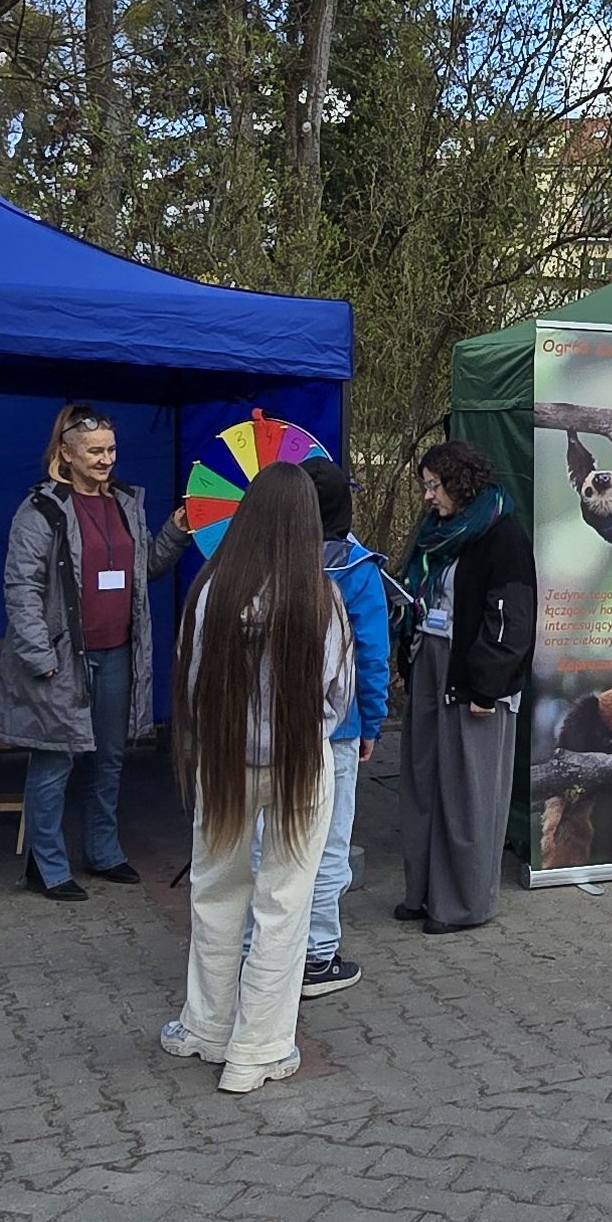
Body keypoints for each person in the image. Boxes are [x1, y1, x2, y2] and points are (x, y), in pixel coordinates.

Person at [156, 462, 353, 1093]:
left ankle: (205, 1029)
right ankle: (258, 1050)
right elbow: (337, 698)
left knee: (215, 894)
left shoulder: (210, 590)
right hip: (300, 765)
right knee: (284, 904)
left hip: (222, 763)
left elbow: (190, 687)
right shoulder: (322, 597)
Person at [0, 406, 190, 902]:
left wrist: (176, 530)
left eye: (111, 449)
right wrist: (40, 656)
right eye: (95, 451)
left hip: (117, 652)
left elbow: (144, 568)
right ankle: (46, 864)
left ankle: (103, 851)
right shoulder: (40, 510)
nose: (106, 459)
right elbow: (21, 589)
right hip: (62, 659)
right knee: (55, 760)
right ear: (66, 453)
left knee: (110, 758)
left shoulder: (125, 502)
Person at [395, 438, 533, 931]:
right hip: (430, 663)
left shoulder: (502, 534)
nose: (428, 496)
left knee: (467, 792)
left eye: (434, 485)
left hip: (473, 676)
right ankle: (423, 893)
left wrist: (486, 687)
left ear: (460, 482)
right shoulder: (436, 532)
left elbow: (512, 620)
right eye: (425, 486)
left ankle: (462, 905)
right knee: (423, 780)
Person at [298, 456, 389, 999]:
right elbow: (372, 657)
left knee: (268, 842)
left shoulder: (261, 559)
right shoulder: (357, 569)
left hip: (271, 731)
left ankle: (259, 950)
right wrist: (372, 722)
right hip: (338, 729)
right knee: (329, 844)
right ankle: (317, 957)